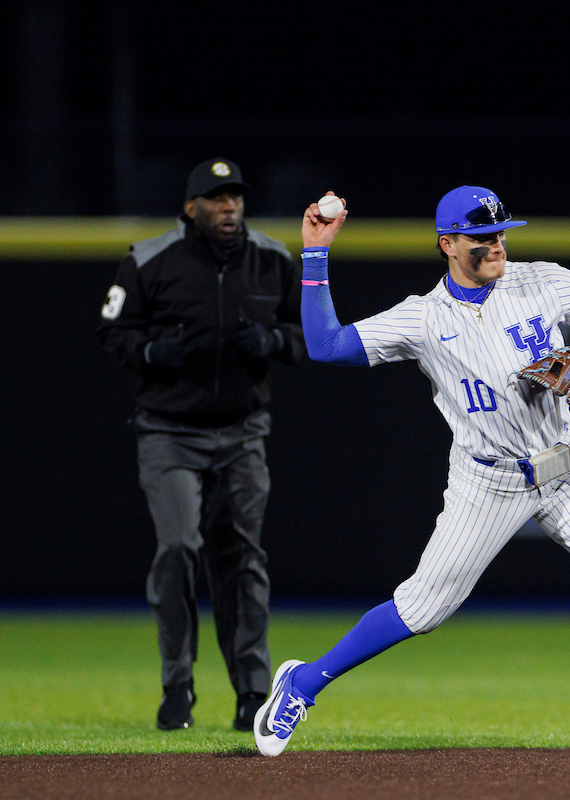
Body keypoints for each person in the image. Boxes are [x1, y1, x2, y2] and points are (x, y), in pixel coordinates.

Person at [253, 186, 570, 759]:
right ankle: (302, 683)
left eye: (500, 233)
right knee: (421, 609)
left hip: (565, 466)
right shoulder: (423, 317)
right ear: (448, 244)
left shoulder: (540, 280)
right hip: (488, 482)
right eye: (481, 237)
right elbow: (326, 346)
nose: (496, 244)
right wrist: (316, 253)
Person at [96, 157, 305, 731]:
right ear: (190, 207)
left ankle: (253, 692)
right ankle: (177, 684)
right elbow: (111, 328)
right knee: (179, 547)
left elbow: (307, 333)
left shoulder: (271, 258)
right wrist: (146, 352)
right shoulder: (149, 259)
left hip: (243, 432)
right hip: (169, 432)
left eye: (235, 196)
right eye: (216, 197)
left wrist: (274, 340)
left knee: (243, 559)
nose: (229, 206)